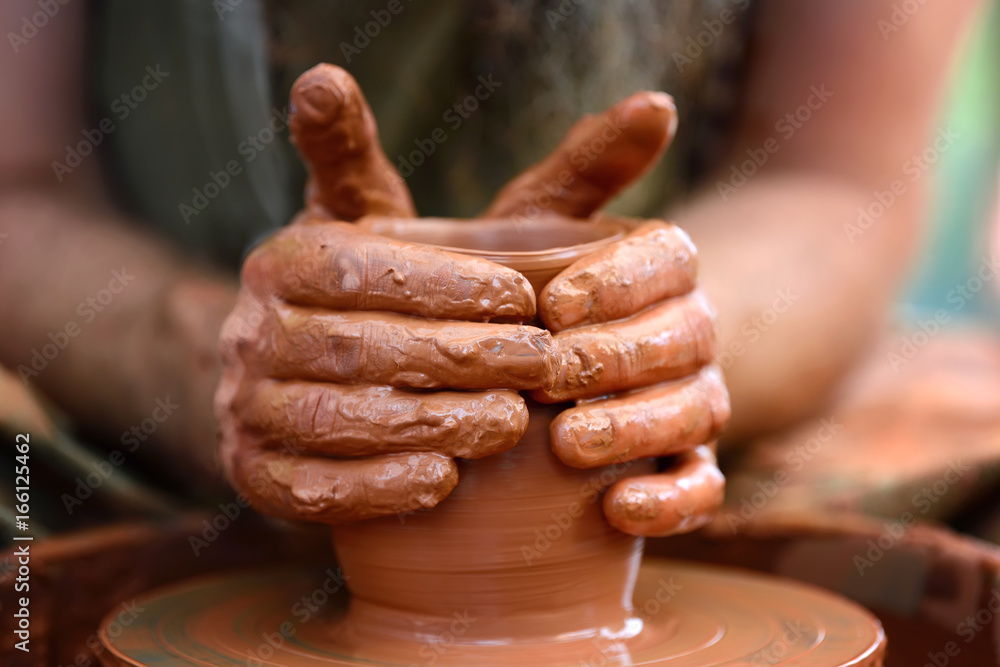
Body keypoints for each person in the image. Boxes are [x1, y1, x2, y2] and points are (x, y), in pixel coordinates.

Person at [0, 0, 988, 533]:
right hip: (151, 402)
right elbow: (17, 179)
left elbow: (835, 176)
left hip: (675, 448)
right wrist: (199, 353)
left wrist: (656, 337)